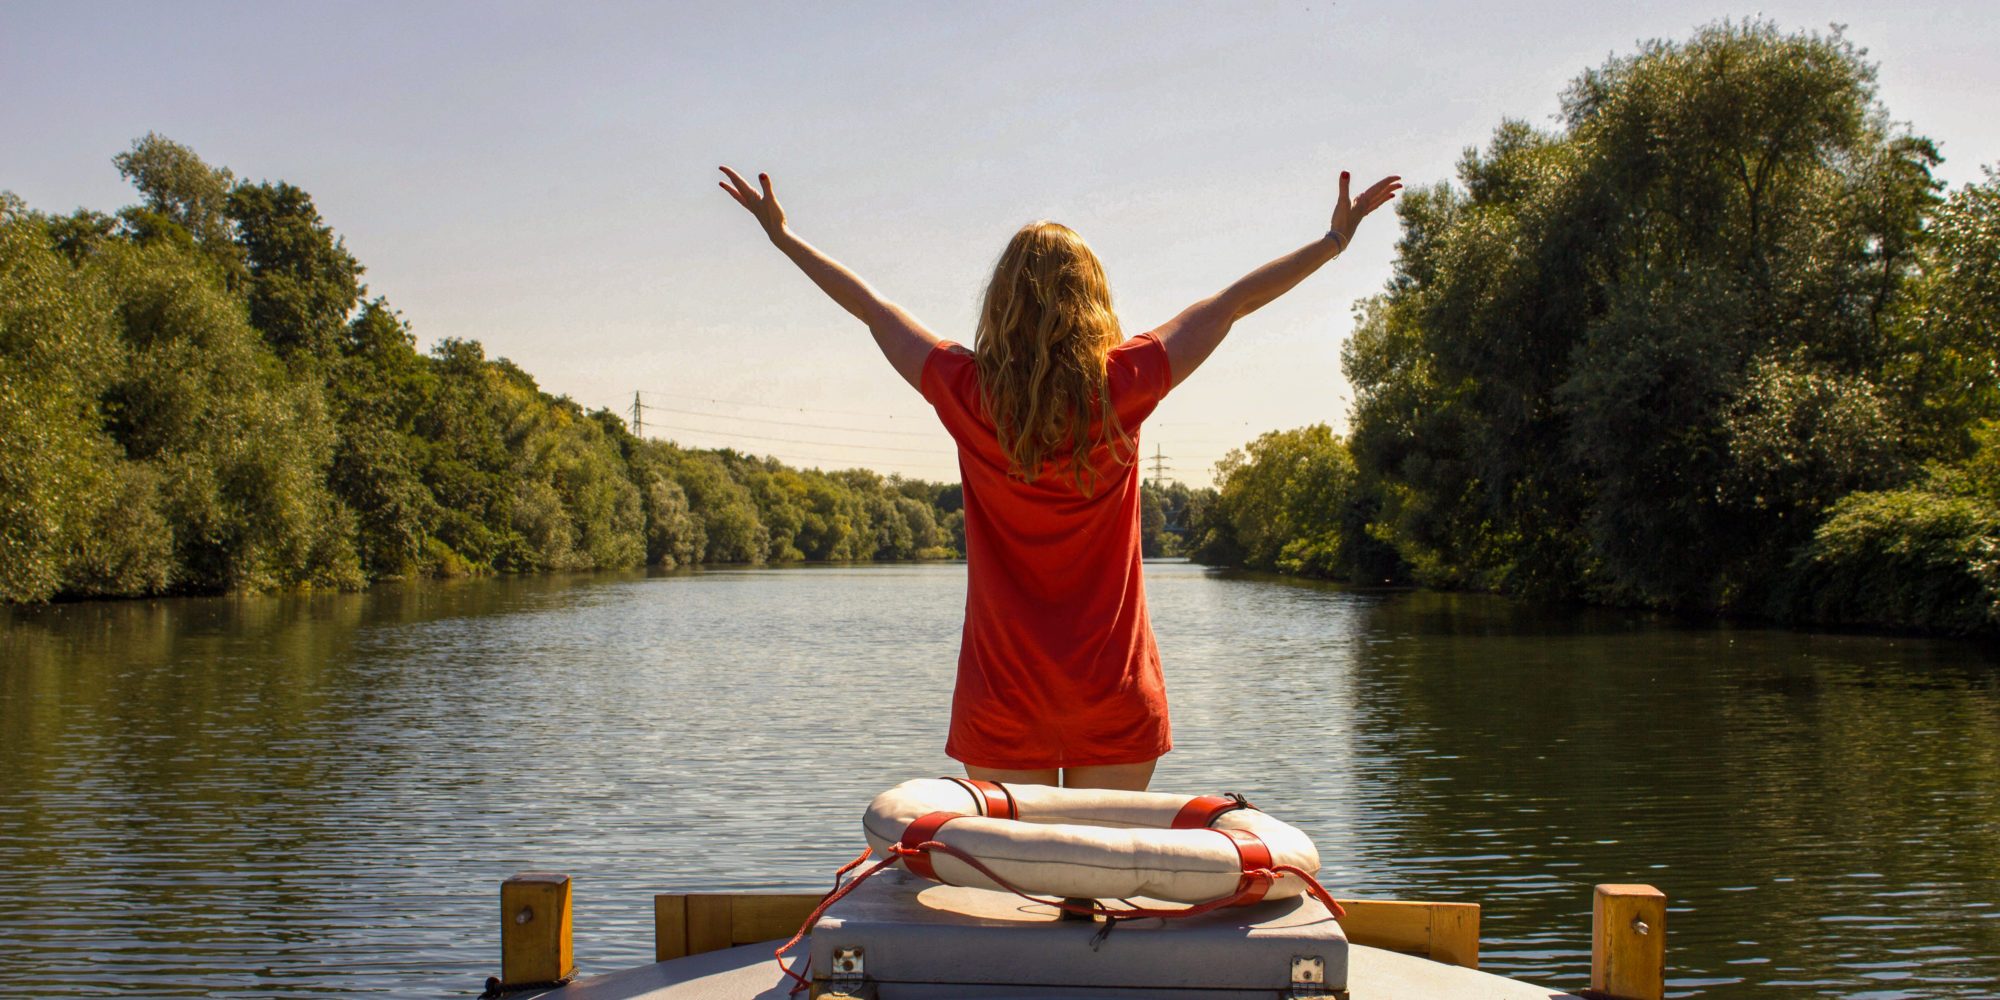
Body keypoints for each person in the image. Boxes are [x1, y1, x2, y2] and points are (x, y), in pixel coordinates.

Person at [718, 165, 1400, 791]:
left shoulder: (966, 390)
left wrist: (784, 239)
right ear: (1092, 300)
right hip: (1114, 690)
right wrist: (1334, 240)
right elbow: (1230, 304)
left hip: (1003, 696)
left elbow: (873, 308)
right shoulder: (1125, 383)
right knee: (1094, 898)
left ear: (1001, 304)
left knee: (1018, 902)